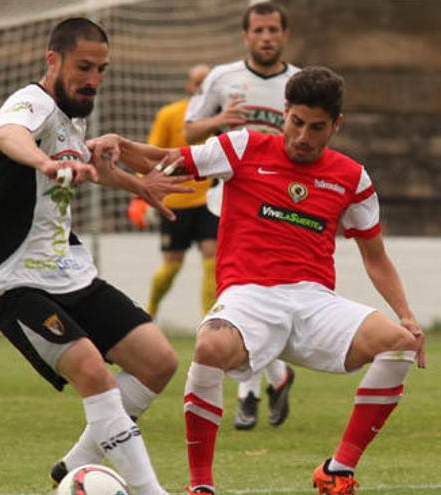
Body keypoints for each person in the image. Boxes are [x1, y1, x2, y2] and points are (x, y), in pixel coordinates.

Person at [174, 66, 427, 494]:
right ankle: (201, 487)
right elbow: (168, 159)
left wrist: (407, 316)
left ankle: (338, 471)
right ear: (285, 111)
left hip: (312, 301)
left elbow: (376, 258)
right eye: (296, 123)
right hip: (248, 295)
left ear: (336, 126)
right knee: (209, 345)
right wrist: (114, 150)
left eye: (317, 128)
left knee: (399, 345)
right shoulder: (244, 147)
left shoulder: (352, 178)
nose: (303, 137)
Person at [0, 18, 191, 495]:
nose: (94, 79)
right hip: (15, 282)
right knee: (94, 371)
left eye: (102, 69)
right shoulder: (31, 103)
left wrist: (139, 184)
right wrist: (43, 162)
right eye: (84, 67)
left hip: (69, 273)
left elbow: (90, 167)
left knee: (157, 361)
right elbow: (11, 134)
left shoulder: (74, 117)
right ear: (53, 61)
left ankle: (73, 467)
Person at [183, 0, 299, 432]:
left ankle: (270, 379)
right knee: (236, 294)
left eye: (273, 30)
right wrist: (220, 119)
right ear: (246, 36)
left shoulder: (299, 82)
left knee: (272, 297)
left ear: (284, 35)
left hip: (283, 207)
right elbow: (190, 132)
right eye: (259, 30)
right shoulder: (222, 78)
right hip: (228, 202)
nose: (266, 37)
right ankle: (255, 389)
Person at [127, 64, 218, 319]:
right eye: (197, 81)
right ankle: (151, 311)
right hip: (175, 202)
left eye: (207, 81)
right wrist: (140, 195)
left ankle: (208, 323)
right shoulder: (170, 115)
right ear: (188, 85)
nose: (201, 86)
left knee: (214, 260)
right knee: (171, 267)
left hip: (210, 201)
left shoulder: (220, 118)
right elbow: (148, 155)